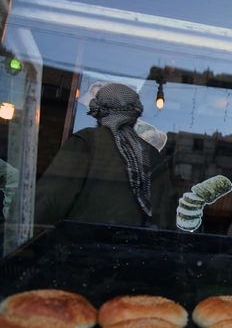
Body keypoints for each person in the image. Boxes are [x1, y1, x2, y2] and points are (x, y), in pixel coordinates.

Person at [34, 83, 173, 229]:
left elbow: (48, 203)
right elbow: (165, 217)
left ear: (101, 111)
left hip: (81, 241)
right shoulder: (153, 155)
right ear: (134, 115)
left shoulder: (87, 141)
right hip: (136, 242)